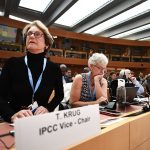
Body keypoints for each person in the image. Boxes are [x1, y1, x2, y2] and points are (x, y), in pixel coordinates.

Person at [0, 20, 64, 122]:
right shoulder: (12, 64)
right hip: (15, 121)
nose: (32, 36)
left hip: (40, 121)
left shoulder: (54, 69)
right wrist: (11, 115)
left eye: (37, 34)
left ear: (46, 44)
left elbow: (60, 95)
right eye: (29, 33)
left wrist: (48, 108)